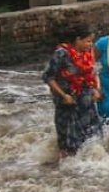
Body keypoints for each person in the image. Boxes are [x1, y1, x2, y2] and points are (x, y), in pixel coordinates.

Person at [42, 24, 103, 158]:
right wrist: (63, 95)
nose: (90, 44)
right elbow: (48, 77)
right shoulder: (62, 54)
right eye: (88, 41)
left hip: (87, 104)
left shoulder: (88, 53)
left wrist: (96, 89)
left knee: (93, 139)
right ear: (77, 40)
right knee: (69, 145)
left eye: (91, 41)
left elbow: (92, 73)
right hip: (68, 106)